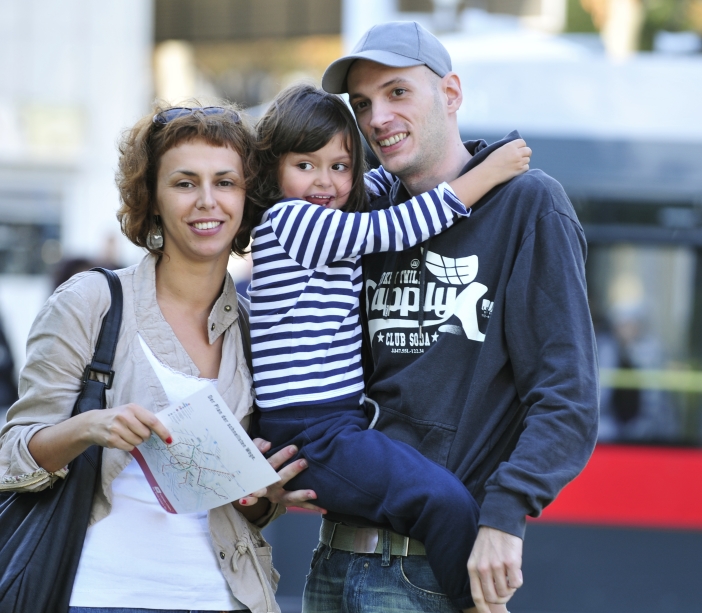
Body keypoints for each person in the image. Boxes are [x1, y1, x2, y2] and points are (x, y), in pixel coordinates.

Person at [302, 21, 600, 613]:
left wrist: (505, 514)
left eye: (397, 92)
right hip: (331, 555)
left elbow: (566, 396)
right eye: (362, 104)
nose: (377, 118)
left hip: (430, 572)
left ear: (452, 93)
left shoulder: (527, 204)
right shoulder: (361, 214)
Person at [0, 103, 319, 613]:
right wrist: (90, 427)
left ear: (247, 198)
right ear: (152, 199)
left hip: (222, 596)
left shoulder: (257, 328)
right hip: (97, 595)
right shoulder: (93, 302)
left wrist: (264, 493)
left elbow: (247, 508)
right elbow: (10, 457)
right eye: (185, 183)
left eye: (226, 182)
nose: (207, 202)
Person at [242, 83, 530, 612]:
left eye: (339, 165)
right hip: (313, 430)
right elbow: (398, 226)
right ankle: (479, 607)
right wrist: (488, 173)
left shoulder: (328, 216)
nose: (324, 182)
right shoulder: (290, 222)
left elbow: (378, 186)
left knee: (435, 498)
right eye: (305, 165)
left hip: (332, 425)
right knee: (442, 500)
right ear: (273, 170)